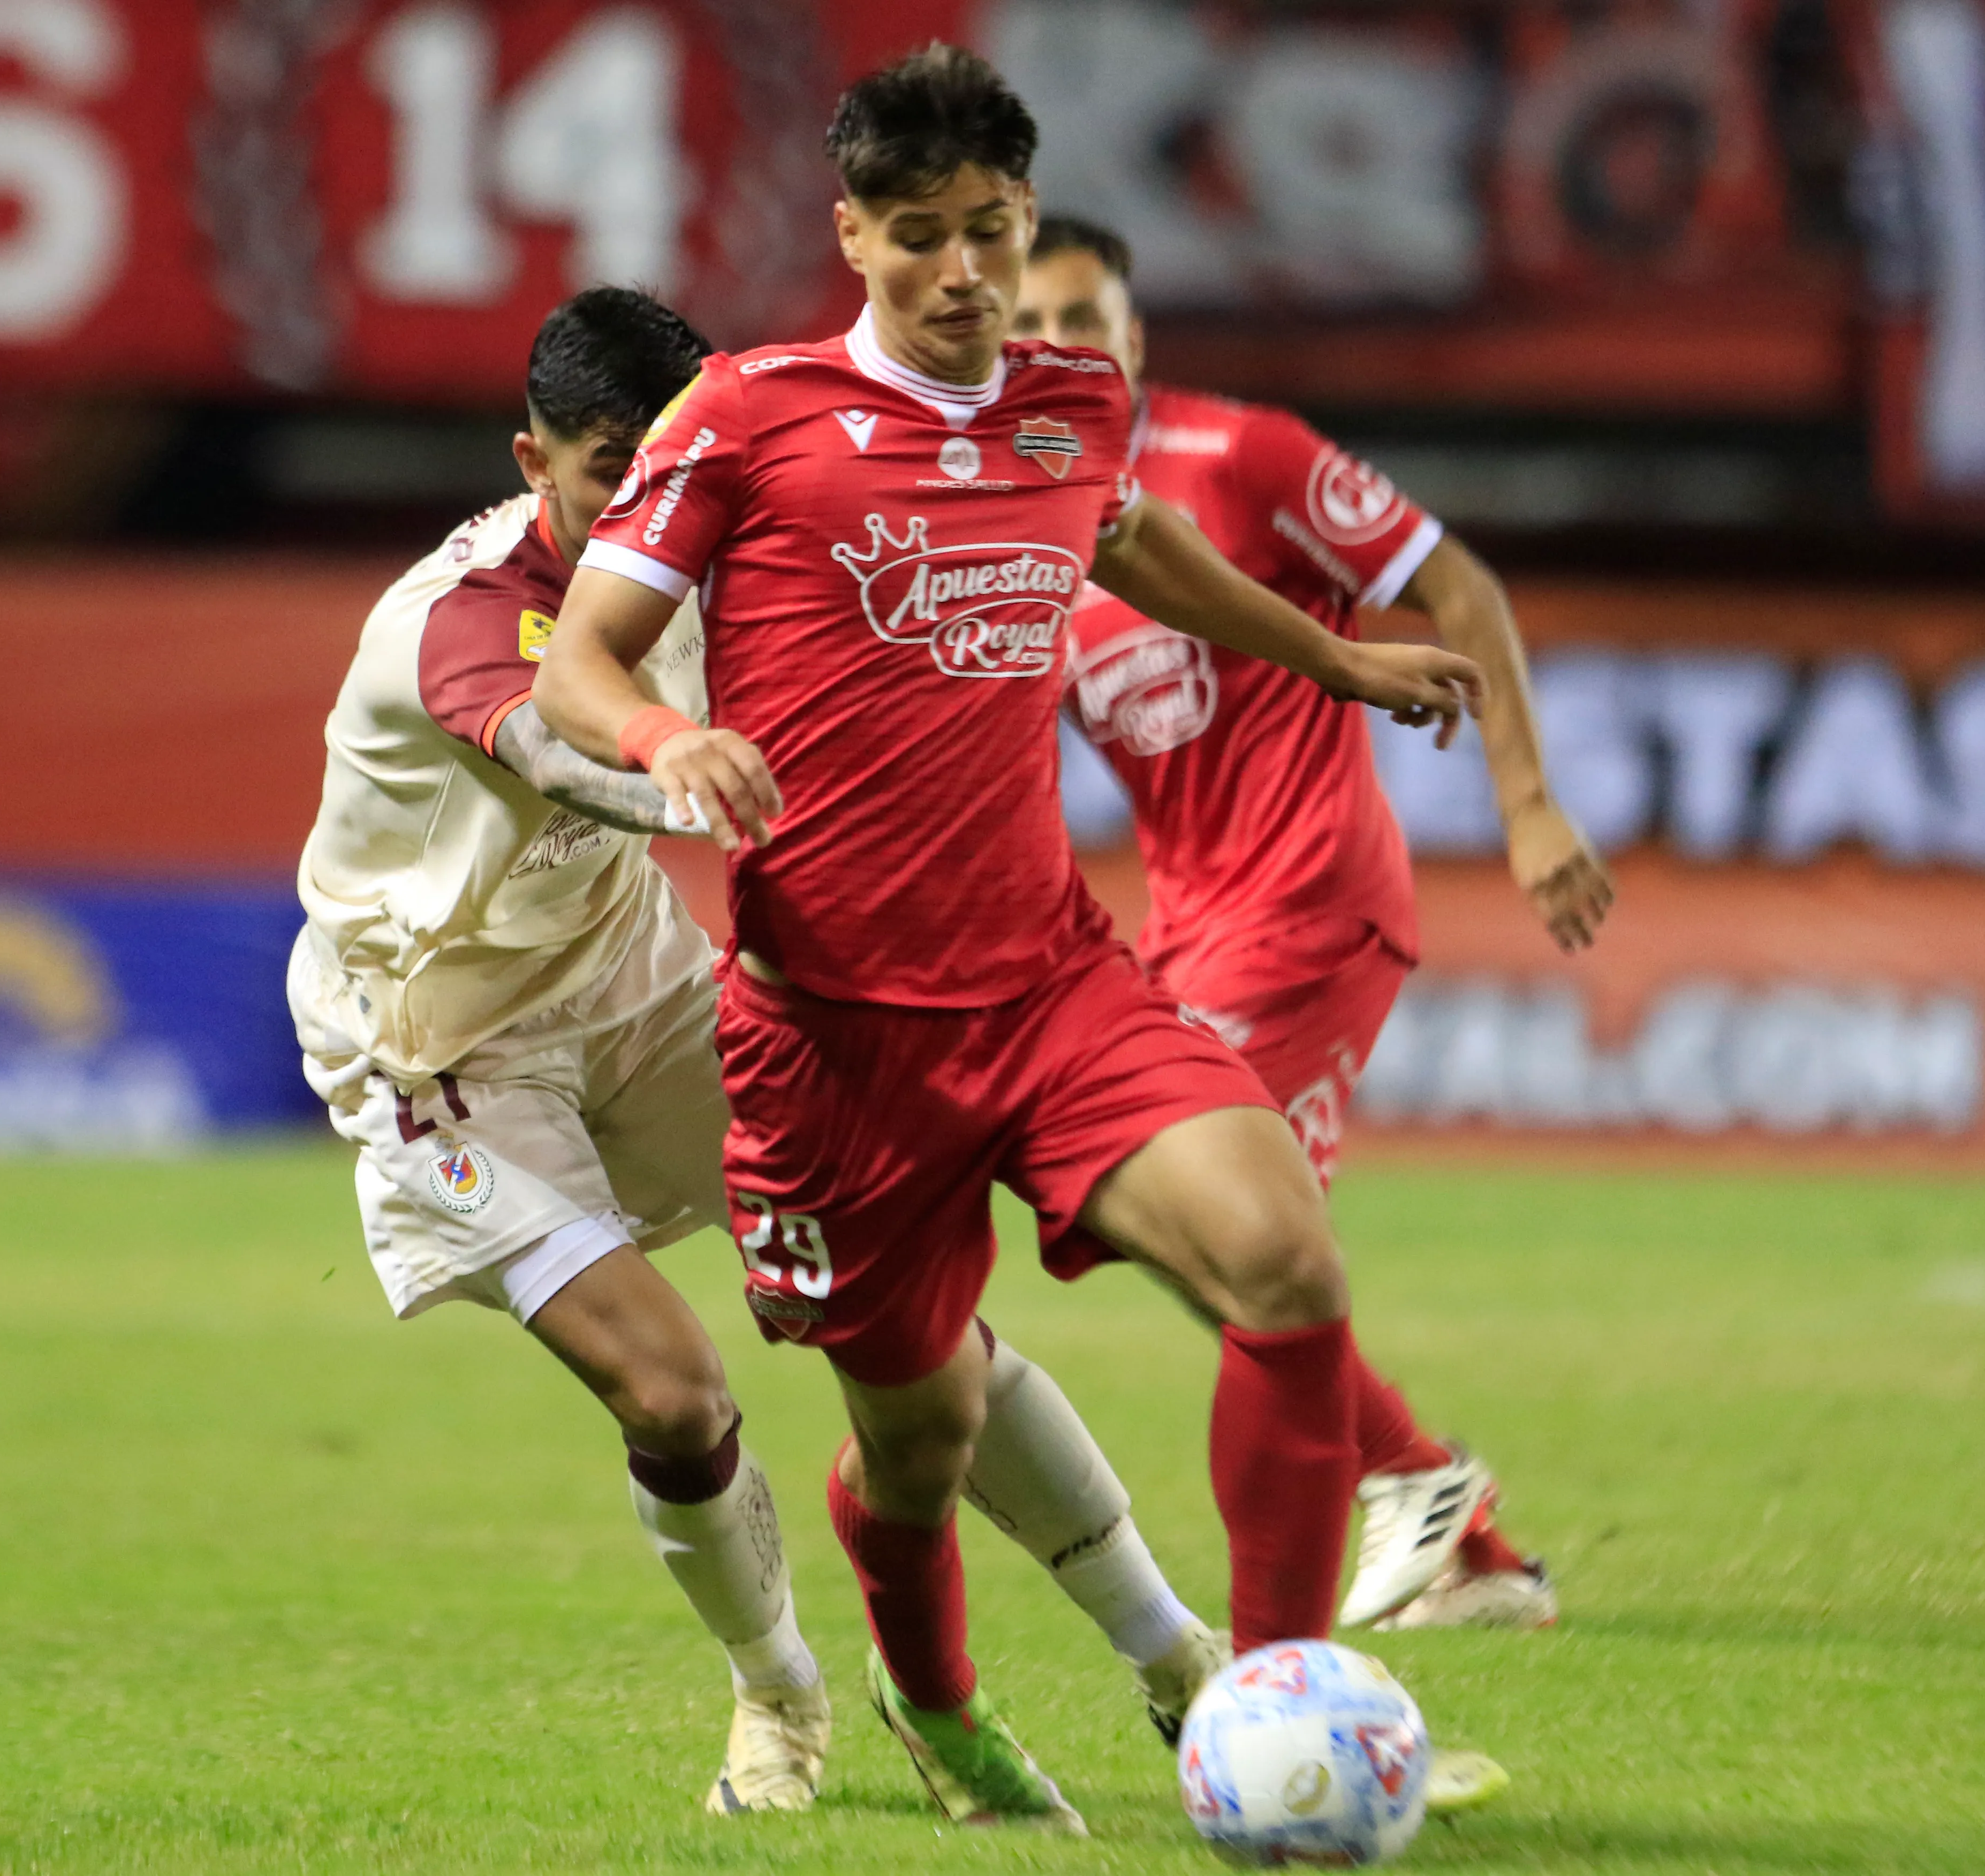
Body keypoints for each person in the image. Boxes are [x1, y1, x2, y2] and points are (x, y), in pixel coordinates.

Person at [534, 47, 1497, 1835]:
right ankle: (933, 1699)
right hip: (832, 1044)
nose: (963, 271)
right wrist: (669, 737)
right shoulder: (748, 415)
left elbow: (1134, 545)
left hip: (1053, 986)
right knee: (921, 1450)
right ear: (852, 236)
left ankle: (1276, 1709)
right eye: (920, 236)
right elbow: (577, 660)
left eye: (989, 229)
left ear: (1027, 215)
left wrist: (1334, 656)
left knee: (1284, 1263)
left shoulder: (1072, 402)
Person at [287, 286, 1230, 1821]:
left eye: (663, 461)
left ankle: (1176, 1650)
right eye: (609, 468)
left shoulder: (717, 547)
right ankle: (778, 1695)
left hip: (637, 981)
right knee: (673, 1395)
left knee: (916, 1332)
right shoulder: (456, 617)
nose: (642, 500)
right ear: (534, 461)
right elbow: (547, 742)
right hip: (442, 1047)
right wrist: (693, 783)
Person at [1015, 214, 1614, 1632]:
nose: (1055, 347)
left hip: (1309, 907)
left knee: (1227, 1234)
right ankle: (1456, 1534)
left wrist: (1529, 807)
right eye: (1029, 325)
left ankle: (1398, 1502)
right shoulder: (1024, 512)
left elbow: (1457, 585)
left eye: (1082, 320)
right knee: (1172, 1229)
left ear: (1134, 336)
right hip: (1189, 928)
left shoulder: (1243, 457)